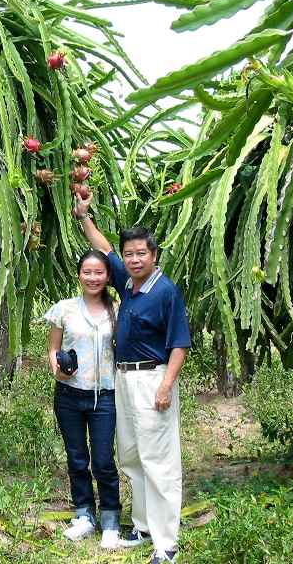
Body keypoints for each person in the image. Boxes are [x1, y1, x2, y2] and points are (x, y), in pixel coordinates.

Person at [73, 193, 191, 564]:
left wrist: (166, 385)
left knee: (159, 461)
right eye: (130, 254)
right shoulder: (128, 284)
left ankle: (166, 544)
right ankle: (141, 527)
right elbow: (104, 248)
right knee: (132, 456)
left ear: (153, 255)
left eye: (141, 253)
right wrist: (83, 216)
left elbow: (179, 343)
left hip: (152, 379)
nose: (134, 259)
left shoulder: (165, 291)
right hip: (123, 380)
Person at [44, 249, 121, 549]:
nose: (93, 277)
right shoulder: (63, 309)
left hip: (105, 397)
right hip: (69, 395)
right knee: (77, 458)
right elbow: (53, 348)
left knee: (103, 461)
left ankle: (111, 521)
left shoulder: (116, 308)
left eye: (99, 272)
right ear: (79, 274)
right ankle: (84, 516)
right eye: (87, 272)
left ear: (107, 276)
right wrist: (56, 368)